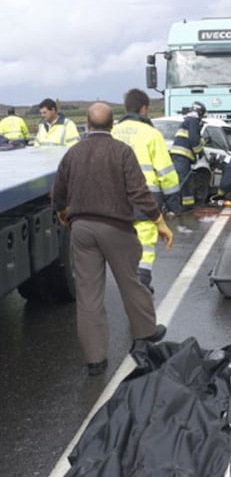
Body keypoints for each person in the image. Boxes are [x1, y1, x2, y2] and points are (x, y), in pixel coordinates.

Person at [52, 102, 173, 376]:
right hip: (116, 228)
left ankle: (95, 360)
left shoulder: (73, 153)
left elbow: (58, 191)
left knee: (88, 295)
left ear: (86, 123)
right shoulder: (121, 152)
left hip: (82, 229)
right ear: (112, 125)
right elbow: (139, 192)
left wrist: (62, 212)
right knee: (131, 282)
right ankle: (145, 332)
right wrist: (159, 220)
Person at [112, 88, 180, 291]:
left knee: (120, 240)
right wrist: (174, 203)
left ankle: (126, 282)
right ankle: (141, 284)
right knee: (145, 244)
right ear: (144, 109)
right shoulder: (152, 134)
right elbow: (166, 172)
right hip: (144, 198)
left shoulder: (112, 132)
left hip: (115, 199)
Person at [170, 101, 206, 210]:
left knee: (186, 181)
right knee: (183, 181)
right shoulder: (193, 121)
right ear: (199, 112)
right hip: (182, 155)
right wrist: (199, 151)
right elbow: (194, 139)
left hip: (181, 155)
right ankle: (177, 206)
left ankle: (187, 205)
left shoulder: (188, 121)